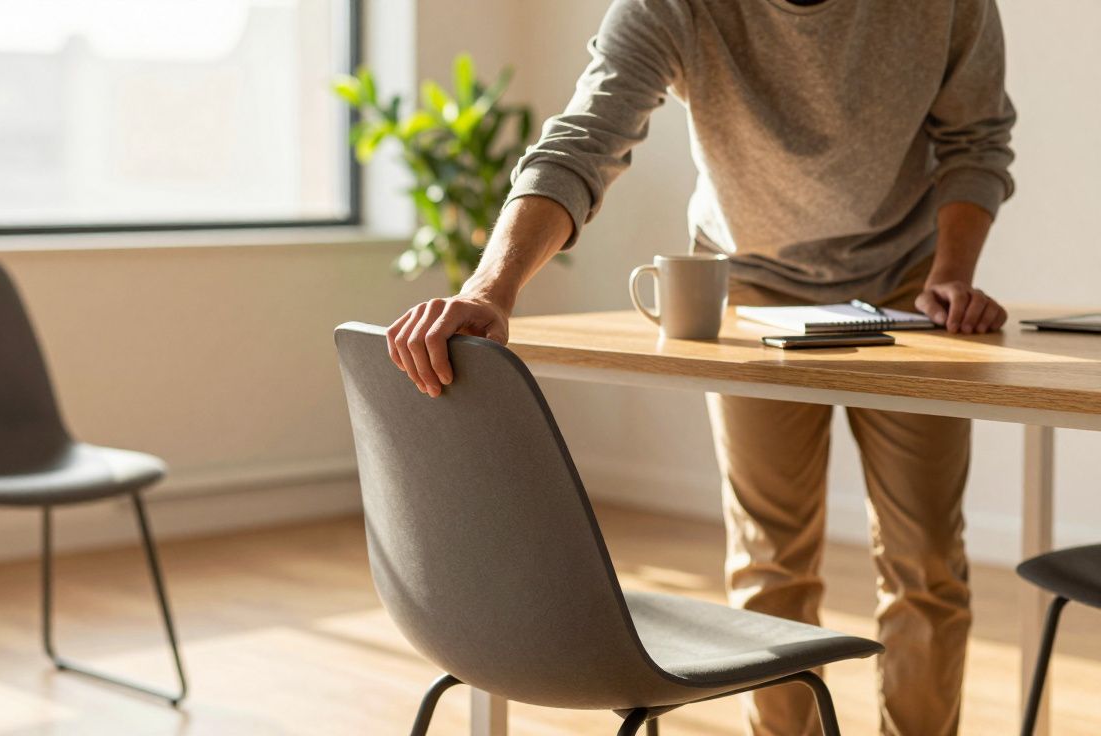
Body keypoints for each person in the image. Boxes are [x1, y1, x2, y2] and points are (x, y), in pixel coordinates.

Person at [385, 0, 1015, 734]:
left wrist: (953, 271)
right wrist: (489, 288)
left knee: (928, 565)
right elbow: (585, 140)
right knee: (771, 560)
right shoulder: (673, 5)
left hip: (909, 290)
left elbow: (976, 140)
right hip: (749, 288)